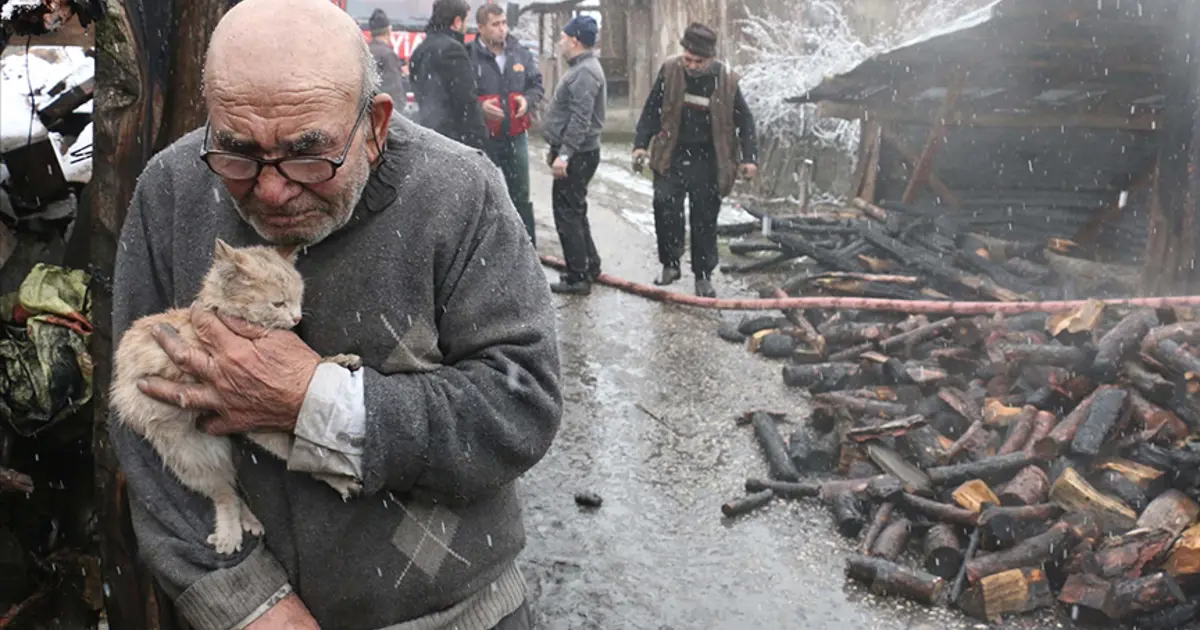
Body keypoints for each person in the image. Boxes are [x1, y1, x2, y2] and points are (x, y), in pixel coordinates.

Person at [108, 0, 561, 628]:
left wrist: (317, 403)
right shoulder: (172, 190)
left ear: (374, 125)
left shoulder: (460, 193)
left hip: (456, 614)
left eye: (307, 154)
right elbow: (141, 431)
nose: (271, 189)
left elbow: (521, 406)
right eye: (238, 153)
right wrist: (244, 604)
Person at [633, 22, 758, 298]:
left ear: (710, 58)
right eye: (687, 58)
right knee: (664, 204)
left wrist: (749, 157)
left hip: (710, 159)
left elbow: (745, 121)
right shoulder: (670, 70)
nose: (691, 65)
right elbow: (652, 109)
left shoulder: (727, 80)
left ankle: (703, 276)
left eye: (698, 61)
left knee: (704, 219)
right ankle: (670, 263)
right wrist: (640, 144)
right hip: (672, 154)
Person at [540, 15, 606, 295]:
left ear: (575, 41)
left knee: (567, 213)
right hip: (577, 152)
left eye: (564, 37)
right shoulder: (582, 68)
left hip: (578, 154)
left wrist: (564, 155)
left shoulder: (585, 73)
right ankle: (589, 264)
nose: (560, 42)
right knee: (575, 210)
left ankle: (578, 276)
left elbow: (581, 119)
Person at [469, 3, 543, 245]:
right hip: (484, 138)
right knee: (483, 196)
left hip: (515, 135)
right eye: (495, 24)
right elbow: (459, 96)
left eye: (503, 23)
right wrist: (479, 108)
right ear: (480, 28)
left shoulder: (519, 52)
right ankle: (488, 248)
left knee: (520, 195)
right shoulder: (468, 56)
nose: (502, 29)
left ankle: (527, 247)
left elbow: (536, 85)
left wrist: (527, 100)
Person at [409, 0, 487, 148]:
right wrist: (480, 141)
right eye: (465, 21)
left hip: (427, 137)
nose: (466, 27)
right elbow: (466, 102)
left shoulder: (420, 50)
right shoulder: (454, 50)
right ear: (457, 22)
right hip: (453, 140)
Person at [367, 8, 409, 112]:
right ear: (389, 31)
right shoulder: (388, 55)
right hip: (383, 114)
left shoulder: (364, 51)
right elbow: (394, 91)